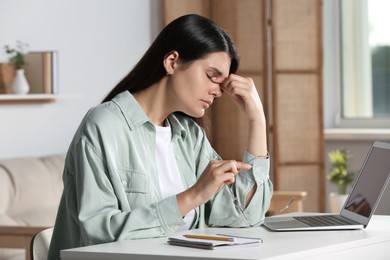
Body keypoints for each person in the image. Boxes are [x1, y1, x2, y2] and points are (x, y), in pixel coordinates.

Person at [48, 14, 273, 259]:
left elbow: (246, 216)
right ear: (172, 62)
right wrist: (194, 195)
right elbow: (97, 234)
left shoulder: (189, 136)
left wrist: (257, 121)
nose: (217, 91)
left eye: (222, 83)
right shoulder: (105, 126)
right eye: (211, 76)